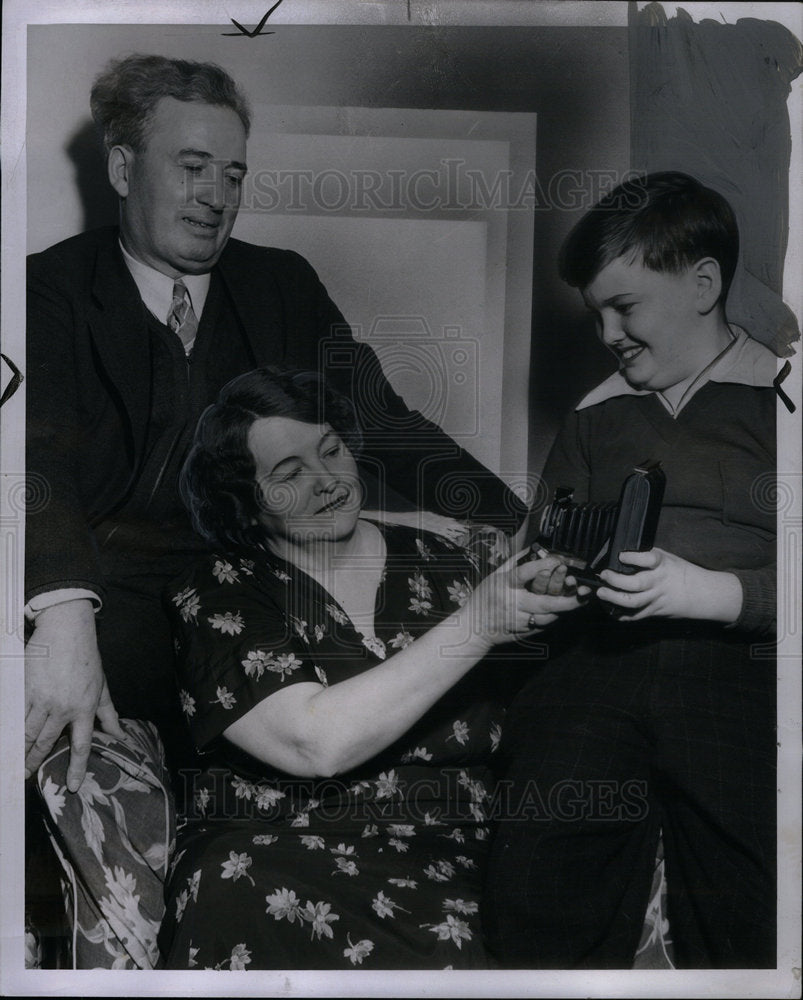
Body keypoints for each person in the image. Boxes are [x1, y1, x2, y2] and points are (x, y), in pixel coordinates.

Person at [24, 54, 527, 792]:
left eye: (233, 174)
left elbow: (384, 424)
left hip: (253, 590)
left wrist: (512, 524)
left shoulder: (280, 283)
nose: (216, 197)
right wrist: (64, 616)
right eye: (193, 167)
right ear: (124, 170)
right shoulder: (45, 290)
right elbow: (32, 460)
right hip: (111, 599)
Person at [156, 367, 580, 970]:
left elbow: (542, 713)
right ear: (243, 504)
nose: (328, 480)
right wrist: (478, 624)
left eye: (332, 451)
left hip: (451, 844)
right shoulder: (218, 591)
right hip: (277, 847)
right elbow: (313, 744)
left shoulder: (453, 562)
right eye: (289, 473)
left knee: (458, 946)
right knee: (237, 890)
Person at [483, 172, 780, 969]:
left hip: (742, 668)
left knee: (748, 879)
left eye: (625, 307)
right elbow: (542, 541)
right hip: (595, 665)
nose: (608, 332)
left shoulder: (781, 398)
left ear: (703, 284)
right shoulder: (591, 414)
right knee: (536, 863)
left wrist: (712, 594)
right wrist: (544, 580)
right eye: (596, 315)